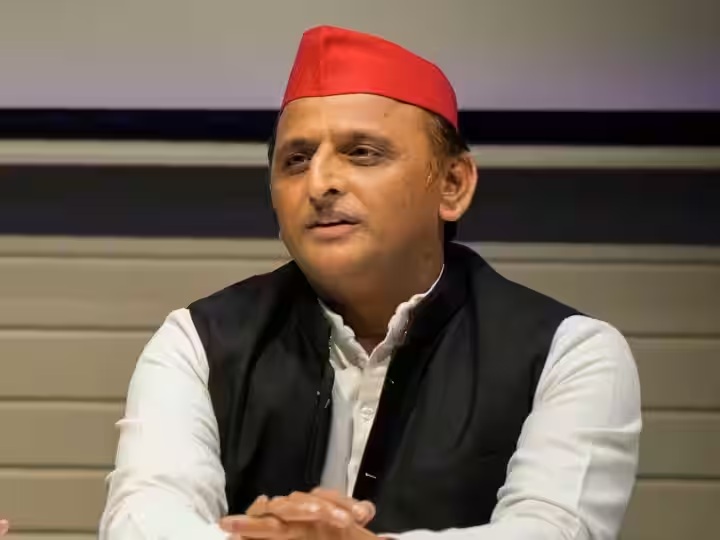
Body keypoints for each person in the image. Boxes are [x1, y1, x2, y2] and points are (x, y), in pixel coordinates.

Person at [100, 25, 641, 540]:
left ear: (452, 185)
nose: (320, 184)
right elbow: (140, 520)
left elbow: (553, 530)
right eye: (296, 160)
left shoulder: (568, 352)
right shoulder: (199, 341)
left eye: (362, 153)